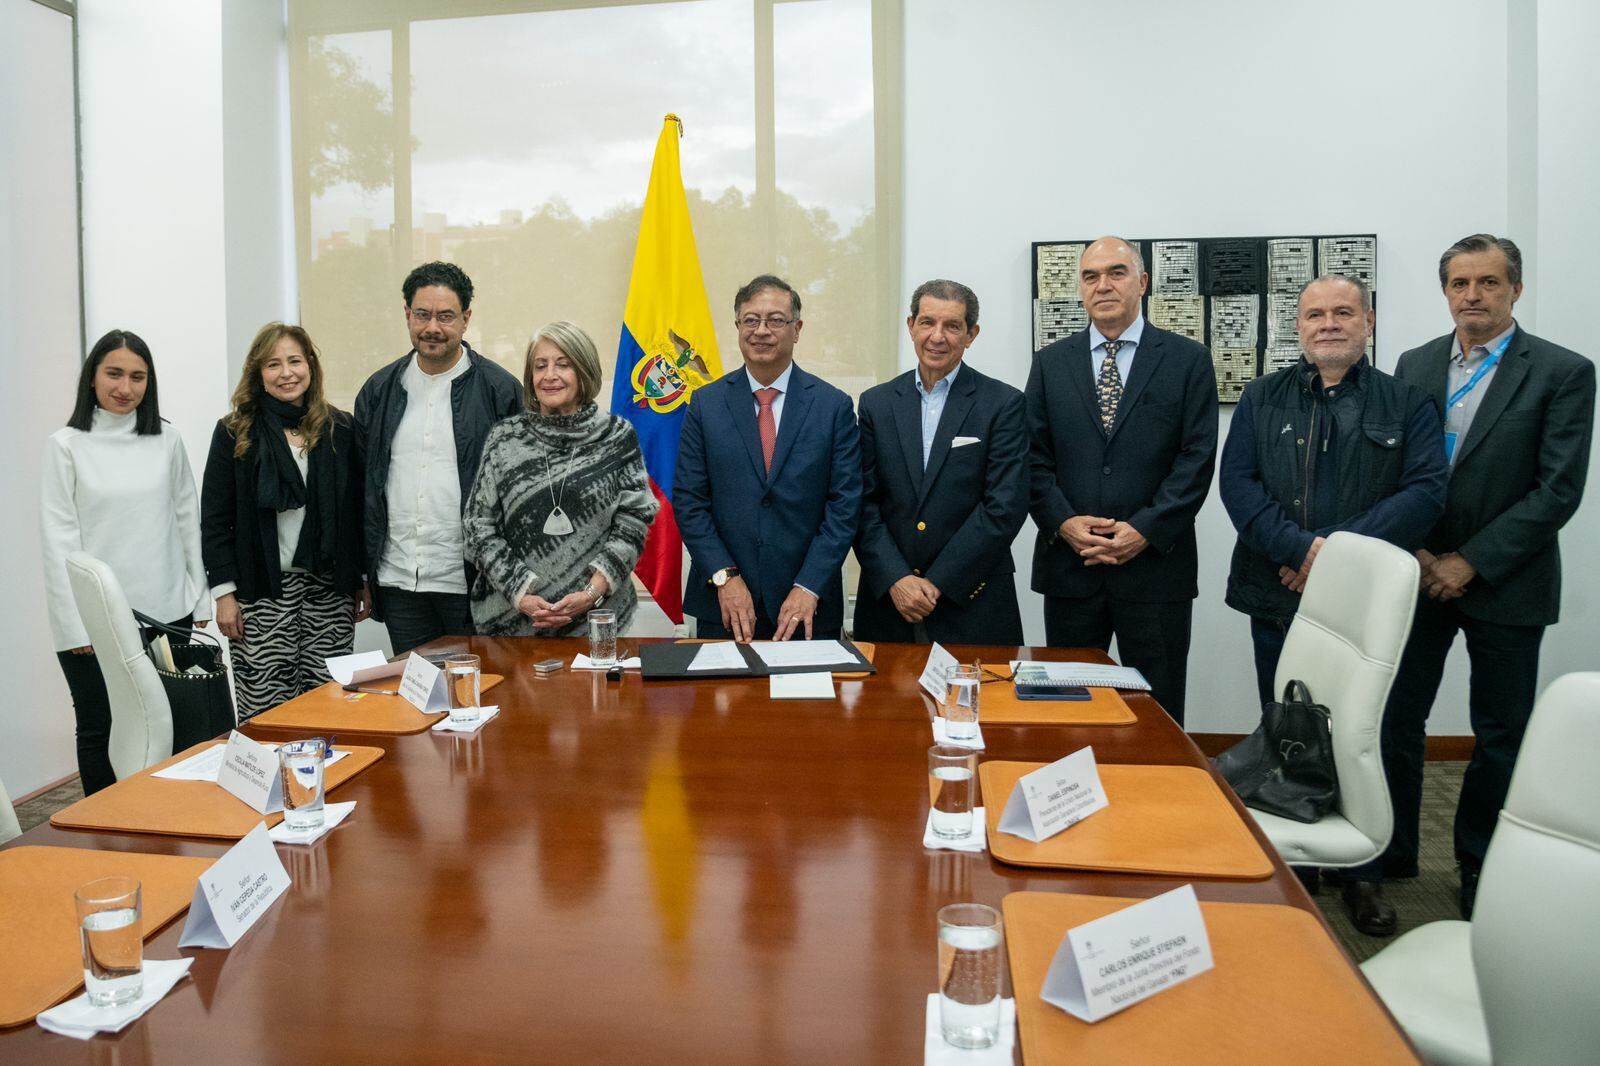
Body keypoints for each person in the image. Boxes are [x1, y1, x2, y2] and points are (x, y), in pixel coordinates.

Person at [1364, 234, 1595, 925]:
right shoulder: (1414, 363)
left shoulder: (1562, 371)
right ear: (1445, 292)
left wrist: (1471, 560)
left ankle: (1478, 861)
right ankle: (1391, 853)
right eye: (1460, 283)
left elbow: (1557, 490)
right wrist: (1421, 552)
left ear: (1516, 289)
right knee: (1396, 720)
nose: (1474, 296)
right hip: (1419, 572)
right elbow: (1394, 469)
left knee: (1500, 733)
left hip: (1508, 580)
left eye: (1489, 282)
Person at [1219, 273, 1448, 937]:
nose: (1328, 324)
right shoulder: (1261, 397)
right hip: (1276, 589)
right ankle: (1299, 861)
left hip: (1368, 607)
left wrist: (1331, 557)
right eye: (1315, 314)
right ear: (1299, 326)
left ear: (1367, 322)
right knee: (1289, 727)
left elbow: (1426, 491)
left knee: (1364, 733)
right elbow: (1239, 486)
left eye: (1343, 312)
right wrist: (1299, 551)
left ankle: (1363, 873)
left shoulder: (1407, 403)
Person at [1025, 236, 1218, 725]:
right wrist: (1064, 523)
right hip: (1072, 569)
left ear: (1142, 282)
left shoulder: (1187, 359)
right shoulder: (1051, 363)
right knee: (1069, 714)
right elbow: (1032, 458)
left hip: (1155, 572)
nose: (1103, 285)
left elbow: (1196, 459)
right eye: (1091, 276)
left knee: (1157, 714)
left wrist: (1145, 530)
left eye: (1116, 272)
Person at [40, 329, 211, 794]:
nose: (125, 387)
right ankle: (102, 826)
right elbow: (58, 542)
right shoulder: (65, 445)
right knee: (101, 726)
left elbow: (187, 522)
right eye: (114, 373)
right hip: (94, 622)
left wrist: (198, 600)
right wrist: (75, 627)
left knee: (173, 725)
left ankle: (169, 821)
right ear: (92, 376)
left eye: (138, 377)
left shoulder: (167, 439)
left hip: (166, 612)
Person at [674, 274, 862, 641]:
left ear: (797, 329)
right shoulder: (705, 404)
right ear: (738, 326)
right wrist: (724, 576)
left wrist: (809, 585)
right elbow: (689, 500)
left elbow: (844, 506)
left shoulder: (833, 406)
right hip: (724, 605)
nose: (761, 330)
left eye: (776, 320)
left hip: (807, 607)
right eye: (751, 320)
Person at [353, 261, 522, 655]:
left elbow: (520, 495)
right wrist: (361, 573)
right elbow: (361, 488)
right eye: (422, 314)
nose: (432, 327)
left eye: (445, 316)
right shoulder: (379, 391)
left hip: (476, 583)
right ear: (407, 314)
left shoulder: (501, 391)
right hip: (399, 583)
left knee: (481, 688)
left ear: (466, 319)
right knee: (416, 690)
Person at [200, 323, 368, 718]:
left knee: (329, 705)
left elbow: (355, 513)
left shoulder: (339, 429)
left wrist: (361, 579)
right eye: (273, 364)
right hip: (260, 591)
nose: (286, 373)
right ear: (258, 373)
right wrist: (223, 595)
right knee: (266, 710)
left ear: (310, 365)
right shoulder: (234, 432)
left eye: (295, 361)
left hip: (329, 590)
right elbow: (215, 519)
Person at [854, 279, 1028, 644]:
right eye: (927, 322)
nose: (937, 336)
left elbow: (1004, 506)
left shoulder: (1003, 404)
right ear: (911, 326)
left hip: (973, 604)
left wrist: (937, 582)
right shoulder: (876, 404)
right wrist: (897, 578)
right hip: (889, 605)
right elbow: (862, 502)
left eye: (952, 326)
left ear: (971, 334)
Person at [464, 322, 657, 636]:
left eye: (563, 364)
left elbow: (634, 521)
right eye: (540, 366)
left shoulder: (617, 436)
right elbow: (478, 525)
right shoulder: (505, 438)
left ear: (584, 371)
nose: (549, 375)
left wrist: (592, 593)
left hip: (598, 622)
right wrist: (520, 593)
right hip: (511, 624)